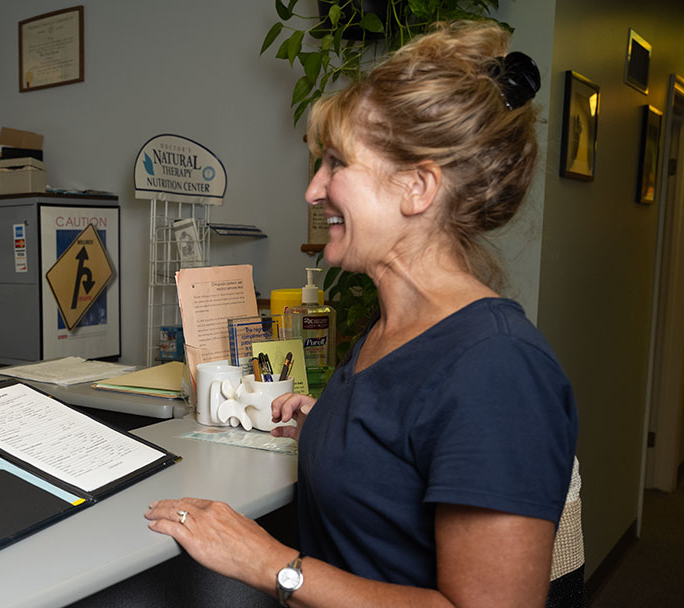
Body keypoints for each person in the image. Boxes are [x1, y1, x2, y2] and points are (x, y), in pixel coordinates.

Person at [146, 21, 578, 607]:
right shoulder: (388, 331)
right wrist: (337, 428)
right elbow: (411, 445)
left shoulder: (498, 367)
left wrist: (269, 563)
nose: (313, 191)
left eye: (335, 164)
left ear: (417, 187)